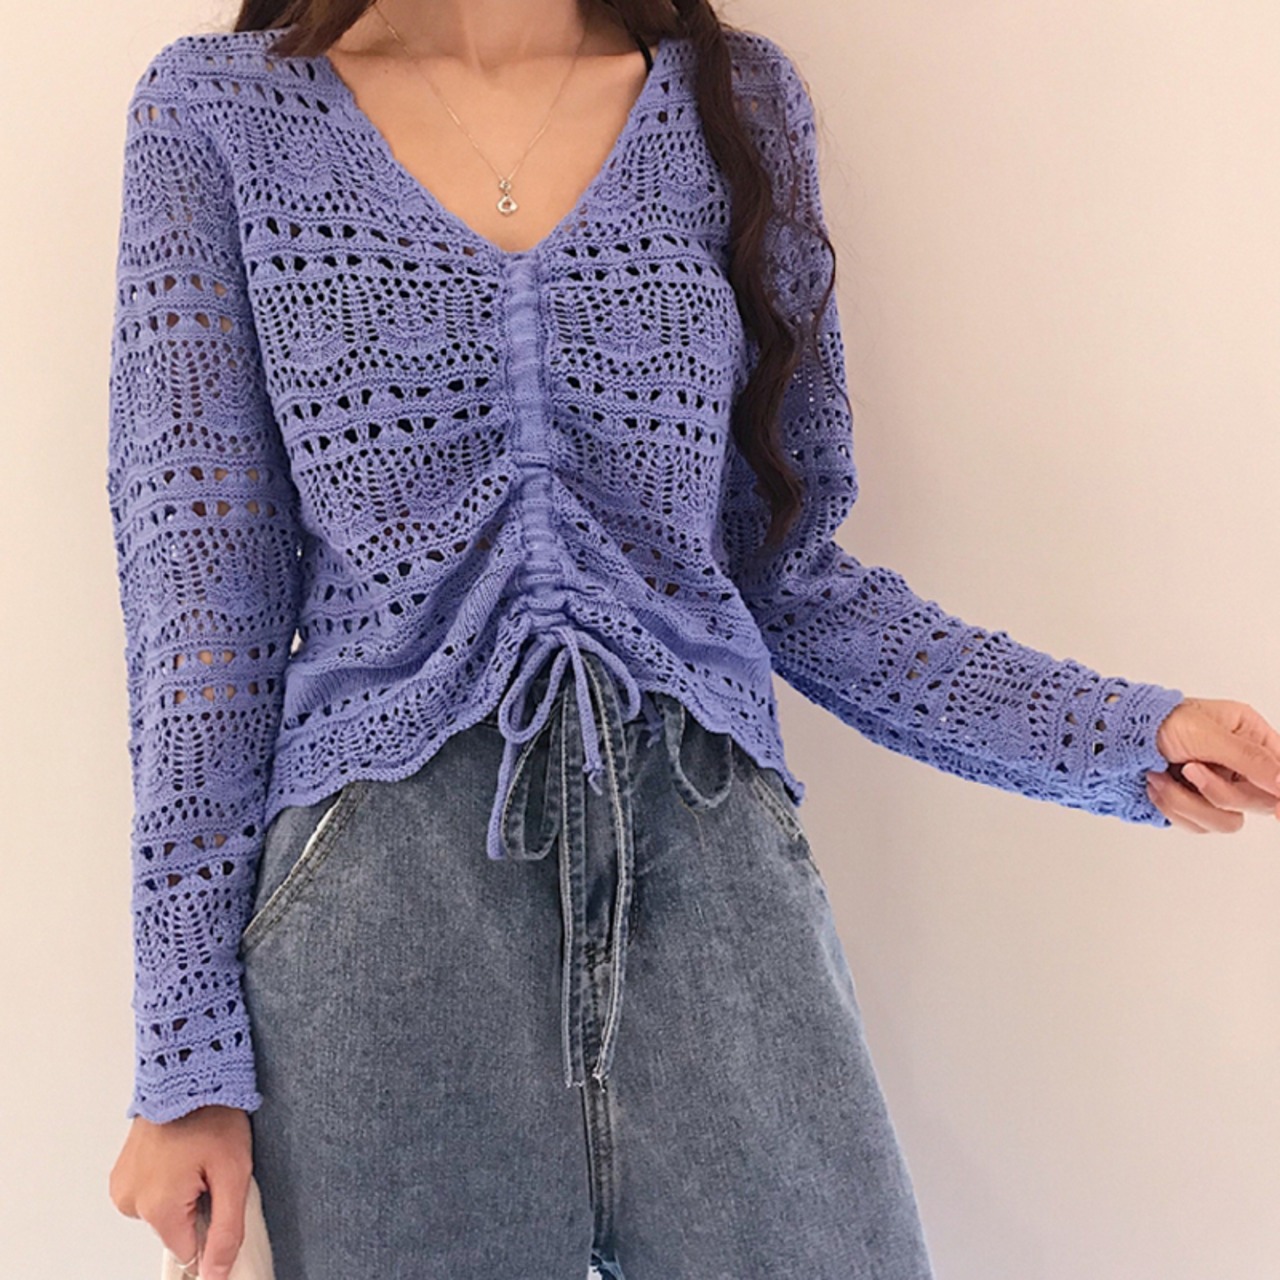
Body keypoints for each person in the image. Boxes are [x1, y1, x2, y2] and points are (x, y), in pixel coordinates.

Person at [103, 2, 1280, 1278]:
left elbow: (791, 580)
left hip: (713, 891)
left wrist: (1120, 732)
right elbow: (198, 635)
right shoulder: (219, 114)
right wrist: (184, 1060)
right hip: (384, 927)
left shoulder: (736, 107)